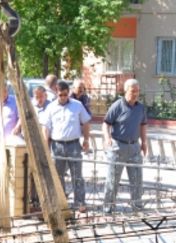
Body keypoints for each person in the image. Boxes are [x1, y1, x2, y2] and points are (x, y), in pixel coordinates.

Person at [43, 81, 92, 212]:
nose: (63, 97)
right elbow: (46, 128)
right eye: (61, 95)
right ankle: (61, 202)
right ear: (56, 93)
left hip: (74, 145)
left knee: (77, 174)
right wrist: (46, 146)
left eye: (65, 94)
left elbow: (86, 122)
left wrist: (86, 140)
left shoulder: (77, 105)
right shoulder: (51, 107)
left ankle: (80, 202)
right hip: (57, 145)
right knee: (58, 176)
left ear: (68, 92)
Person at [102, 78, 148, 213]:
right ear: (126, 90)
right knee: (112, 180)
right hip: (118, 147)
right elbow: (106, 123)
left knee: (137, 179)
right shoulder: (117, 105)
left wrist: (144, 142)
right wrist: (107, 137)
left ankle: (137, 206)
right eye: (133, 91)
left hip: (134, 147)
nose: (136, 94)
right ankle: (108, 207)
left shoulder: (140, 108)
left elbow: (143, 125)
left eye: (137, 91)